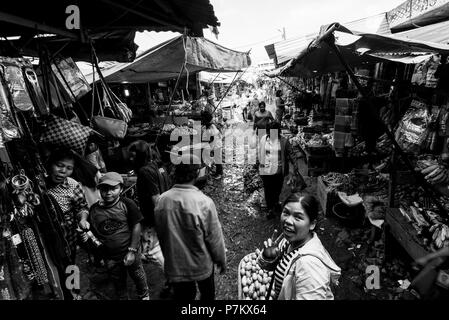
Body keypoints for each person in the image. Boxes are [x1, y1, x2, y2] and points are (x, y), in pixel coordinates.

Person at [154, 154, 227, 300]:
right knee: (207, 294)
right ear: (196, 174)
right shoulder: (204, 203)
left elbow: (162, 233)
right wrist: (221, 260)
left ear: (175, 173)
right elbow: (215, 237)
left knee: (185, 296)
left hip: (176, 266)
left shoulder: (162, 201)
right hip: (201, 265)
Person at [257, 194, 341, 300]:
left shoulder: (310, 266)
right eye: (286, 213)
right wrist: (269, 256)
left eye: (298, 217)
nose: (288, 221)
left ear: (312, 224)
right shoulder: (288, 240)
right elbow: (282, 267)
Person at [87, 172, 150, 300]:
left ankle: (144, 295)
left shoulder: (127, 204)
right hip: (110, 256)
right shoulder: (94, 210)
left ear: (121, 189)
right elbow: (93, 232)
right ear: (99, 190)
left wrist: (132, 251)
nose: (109, 193)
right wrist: (98, 253)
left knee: (138, 275)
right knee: (118, 280)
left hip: (130, 251)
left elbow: (136, 225)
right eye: (104, 189)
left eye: (113, 188)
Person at [257, 121, 306, 219]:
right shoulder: (263, 139)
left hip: (279, 171)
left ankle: (275, 203)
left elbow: (291, 154)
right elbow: (260, 151)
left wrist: (295, 166)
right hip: (266, 171)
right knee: (268, 190)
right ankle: (270, 209)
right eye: (269, 132)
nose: (271, 135)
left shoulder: (284, 141)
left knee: (277, 189)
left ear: (278, 131)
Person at [201, 110, 223, 179]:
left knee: (218, 159)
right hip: (217, 144)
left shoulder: (210, 129)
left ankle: (219, 174)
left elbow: (209, 140)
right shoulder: (211, 125)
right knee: (217, 159)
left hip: (217, 145)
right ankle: (217, 172)